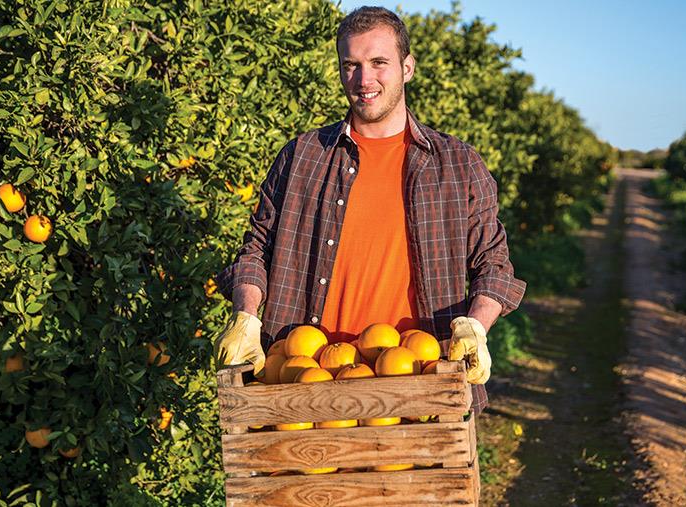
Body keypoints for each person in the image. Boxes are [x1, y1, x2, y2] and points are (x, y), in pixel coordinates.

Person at [216, 6, 518, 390]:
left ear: (407, 68)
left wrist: (476, 327)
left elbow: (493, 264)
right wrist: (246, 316)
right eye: (351, 65)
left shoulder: (457, 164)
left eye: (379, 62)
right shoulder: (302, 157)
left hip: (420, 376)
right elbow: (256, 250)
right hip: (303, 378)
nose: (364, 79)